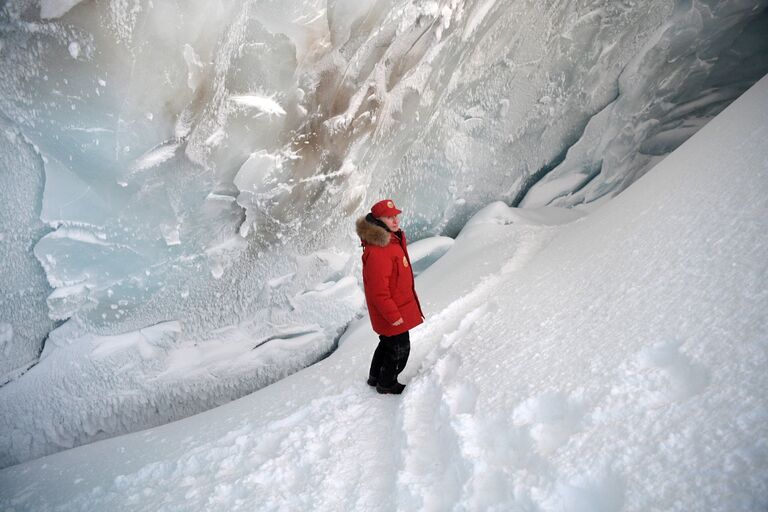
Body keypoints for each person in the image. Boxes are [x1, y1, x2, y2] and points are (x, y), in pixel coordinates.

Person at [356, 199, 425, 394]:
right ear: (378, 220)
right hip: (392, 312)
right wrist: (393, 316)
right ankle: (387, 384)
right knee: (399, 349)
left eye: (396, 216)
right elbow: (378, 292)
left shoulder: (389, 241)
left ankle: (375, 377)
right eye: (389, 217)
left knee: (387, 344)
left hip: (395, 308)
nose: (395, 220)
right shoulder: (380, 250)